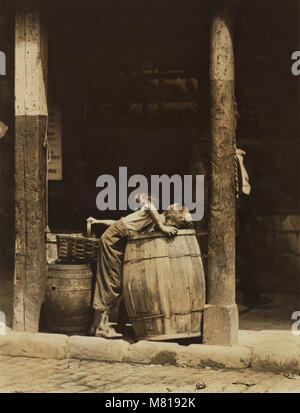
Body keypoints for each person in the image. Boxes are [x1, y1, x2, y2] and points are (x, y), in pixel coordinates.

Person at [87, 195, 192, 338]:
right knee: (111, 282)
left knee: (110, 281)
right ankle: (101, 327)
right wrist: (162, 227)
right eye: (174, 225)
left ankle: (95, 325)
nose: (172, 228)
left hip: (114, 239)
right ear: (169, 219)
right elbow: (148, 204)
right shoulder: (157, 218)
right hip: (113, 242)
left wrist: (98, 221)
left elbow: (118, 223)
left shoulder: (151, 220)